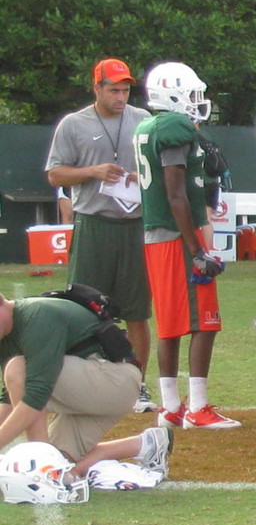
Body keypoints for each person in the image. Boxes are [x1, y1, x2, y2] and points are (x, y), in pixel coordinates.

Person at [133, 62, 239, 430]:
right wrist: (196, 249)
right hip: (178, 236)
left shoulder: (148, 125)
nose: (196, 102)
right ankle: (197, 407)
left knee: (169, 324)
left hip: (157, 235)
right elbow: (176, 193)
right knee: (204, 322)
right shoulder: (174, 127)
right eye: (191, 94)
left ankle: (171, 407)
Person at [45, 58, 153, 409]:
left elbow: (160, 171)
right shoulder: (73, 124)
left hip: (135, 224)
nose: (121, 97)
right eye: (114, 90)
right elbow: (55, 174)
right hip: (94, 224)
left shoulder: (143, 120)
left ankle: (137, 384)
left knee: (137, 310)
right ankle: (84, 381)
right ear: (97, 88)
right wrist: (93, 171)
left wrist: (141, 178)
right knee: (85, 308)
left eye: (125, 90)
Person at [0, 292, 170, 487]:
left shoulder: (37, 314)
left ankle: (42, 460)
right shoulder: (7, 333)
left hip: (116, 380)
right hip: (97, 385)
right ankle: (145, 444)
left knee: (45, 470)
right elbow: (9, 397)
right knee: (61, 465)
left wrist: (37, 456)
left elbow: (36, 393)